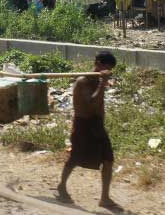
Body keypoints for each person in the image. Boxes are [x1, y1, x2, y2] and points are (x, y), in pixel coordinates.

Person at [57, 50, 122, 212]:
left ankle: (104, 198)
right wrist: (102, 83)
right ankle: (61, 186)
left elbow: (98, 107)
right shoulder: (83, 81)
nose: (108, 71)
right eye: (106, 67)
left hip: (97, 125)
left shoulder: (98, 80)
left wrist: (102, 82)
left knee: (108, 159)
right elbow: (92, 104)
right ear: (99, 64)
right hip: (83, 125)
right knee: (74, 158)